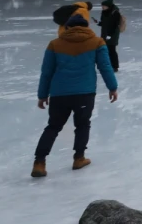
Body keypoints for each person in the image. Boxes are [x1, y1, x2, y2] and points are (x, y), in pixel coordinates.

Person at [32, 14, 119, 177]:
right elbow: (105, 67)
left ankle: (39, 162)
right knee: (82, 125)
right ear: (86, 27)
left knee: (53, 127)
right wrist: (112, 87)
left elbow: (46, 73)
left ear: (67, 28)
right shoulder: (97, 42)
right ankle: (79, 158)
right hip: (85, 94)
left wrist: (42, 95)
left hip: (59, 94)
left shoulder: (55, 44)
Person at [95, 0, 123, 72]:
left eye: (104, 6)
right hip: (104, 34)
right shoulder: (104, 12)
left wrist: (110, 35)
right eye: (102, 6)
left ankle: (115, 66)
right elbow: (104, 23)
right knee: (105, 50)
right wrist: (98, 22)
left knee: (111, 50)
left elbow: (115, 25)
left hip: (112, 35)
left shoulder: (115, 13)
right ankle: (107, 65)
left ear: (108, 6)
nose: (102, 7)